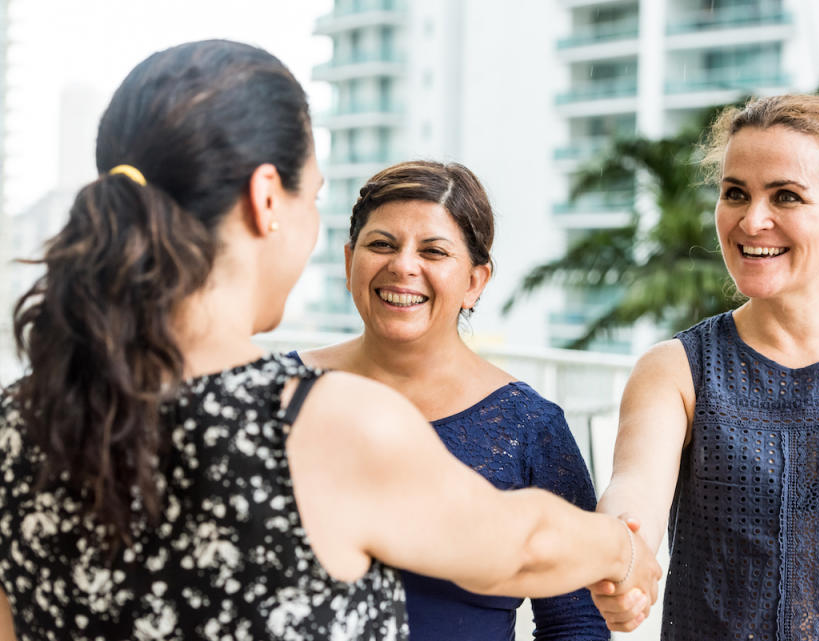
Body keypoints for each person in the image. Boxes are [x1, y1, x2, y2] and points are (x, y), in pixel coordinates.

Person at [0, 40, 660, 641]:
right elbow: (522, 544)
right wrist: (622, 549)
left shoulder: (20, 418)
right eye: (312, 197)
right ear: (266, 199)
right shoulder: (318, 422)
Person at [589, 94, 819, 638]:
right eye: (735, 193)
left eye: (785, 196)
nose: (752, 219)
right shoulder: (674, 371)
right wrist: (622, 555)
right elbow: (632, 493)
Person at [292, 160, 611, 640]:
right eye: (381, 244)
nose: (403, 266)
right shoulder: (279, 392)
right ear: (347, 261)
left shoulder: (531, 427)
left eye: (433, 251)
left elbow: (577, 621)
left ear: (475, 281)